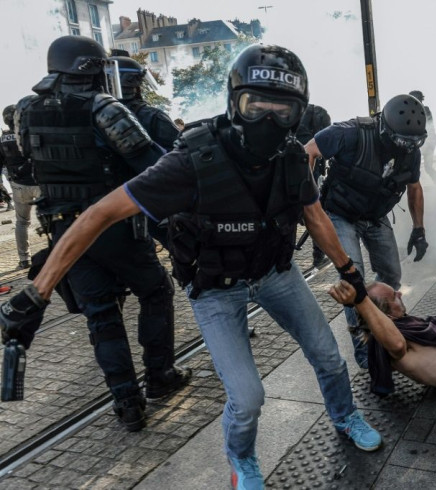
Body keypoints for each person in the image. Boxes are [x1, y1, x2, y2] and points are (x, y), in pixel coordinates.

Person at [1, 43, 382, 489]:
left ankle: (344, 415)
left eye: (283, 110)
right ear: (233, 101)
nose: (268, 120)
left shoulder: (293, 158)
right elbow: (99, 213)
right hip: (215, 288)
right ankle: (242, 461)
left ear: (298, 113)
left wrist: (349, 271)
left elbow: (314, 215)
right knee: (247, 398)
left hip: (276, 274)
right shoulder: (191, 162)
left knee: (329, 358)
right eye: (254, 105)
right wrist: (37, 293)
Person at [12, 36, 191, 432]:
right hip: (113, 225)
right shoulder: (103, 106)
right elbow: (149, 163)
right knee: (156, 290)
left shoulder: (25, 110)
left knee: (101, 314)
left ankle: (127, 402)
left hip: (63, 232)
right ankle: (159, 376)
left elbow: (28, 158)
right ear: (89, 68)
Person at [304, 94, 429, 369]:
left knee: (392, 275)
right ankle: (367, 352)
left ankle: (389, 332)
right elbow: (308, 151)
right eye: (402, 143)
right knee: (354, 280)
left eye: (413, 144)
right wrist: (306, 199)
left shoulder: (411, 151)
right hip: (339, 214)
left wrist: (419, 230)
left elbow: (415, 188)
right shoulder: (350, 133)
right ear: (385, 130)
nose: (406, 150)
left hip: (375, 215)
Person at [111, 54, 180, 249]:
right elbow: (182, 154)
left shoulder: (94, 116)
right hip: (152, 200)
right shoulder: (151, 116)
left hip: (114, 203)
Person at [1, 104, 40, 269]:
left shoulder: (2, 140)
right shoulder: (30, 133)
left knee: (22, 223)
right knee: (54, 217)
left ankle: (24, 260)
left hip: (17, 186)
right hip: (38, 182)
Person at [295, 103, 332, 268]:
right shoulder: (309, 136)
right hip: (306, 182)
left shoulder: (294, 123)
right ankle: (319, 255)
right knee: (316, 214)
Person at [409, 90, 436, 184]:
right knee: (413, 167)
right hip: (419, 142)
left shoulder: (425, 110)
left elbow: (428, 126)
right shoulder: (411, 111)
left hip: (428, 141)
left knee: (428, 167)